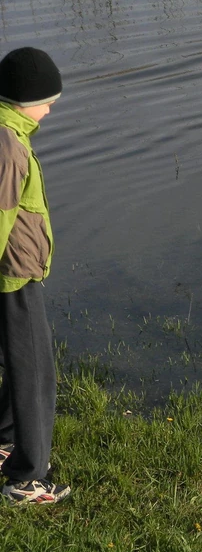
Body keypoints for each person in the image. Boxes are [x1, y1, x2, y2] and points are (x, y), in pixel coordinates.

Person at [0, 47, 70, 504]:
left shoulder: (10, 133)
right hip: (15, 276)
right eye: (48, 102)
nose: (50, 110)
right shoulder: (8, 143)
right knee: (35, 371)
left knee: (15, 362)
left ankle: (4, 443)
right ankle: (27, 479)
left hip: (12, 273)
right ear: (26, 101)